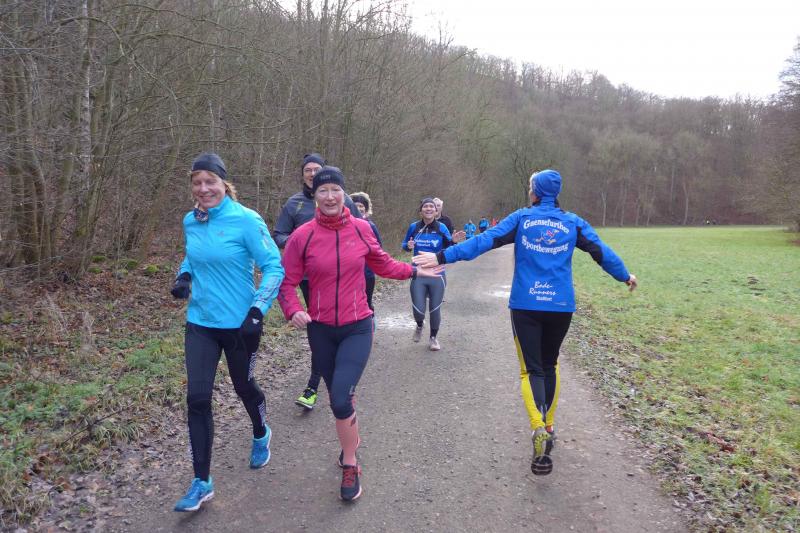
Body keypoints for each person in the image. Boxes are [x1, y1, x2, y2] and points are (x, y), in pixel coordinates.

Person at [414, 169, 637, 476]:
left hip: (526, 304)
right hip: (560, 306)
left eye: (530, 187)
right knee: (550, 365)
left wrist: (442, 257)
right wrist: (624, 275)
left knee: (531, 369)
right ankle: (549, 425)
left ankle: (538, 427)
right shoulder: (573, 222)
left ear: (535, 192)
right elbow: (601, 251)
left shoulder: (522, 218)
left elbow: (484, 241)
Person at [277, 166, 442, 501]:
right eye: (323, 191)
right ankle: (349, 443)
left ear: (344, 194)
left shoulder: (362, 228)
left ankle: (350, 462)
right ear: (315, 196)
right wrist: (293, 309)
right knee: (338, 398)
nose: (329, 197)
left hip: (357, 327)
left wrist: (414, 270)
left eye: (335, 190)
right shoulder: (302, 236)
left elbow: (383, 264)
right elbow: (286, 282)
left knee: (340, 397)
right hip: (321, 330)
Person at [170, 152, 285, 512]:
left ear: (224, 184)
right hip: (200, 323)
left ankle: (261, 431)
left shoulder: (246, 220)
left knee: (243, 387)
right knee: (197, 399)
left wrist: (258, 310)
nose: (204, 188)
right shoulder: (191, 220)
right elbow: (193, 255)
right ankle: (201, 481)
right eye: (197, 182)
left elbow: (274, 266)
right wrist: (184, 275)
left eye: (211, 182)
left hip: (240, 324)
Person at [272, 153, 363, 411]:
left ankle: (328, 381)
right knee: (319, 326)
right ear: (303, 175)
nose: (312, 173)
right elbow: (279, 234)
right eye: (308, 170)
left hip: (340, 277)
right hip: (307, 277)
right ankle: (316, 386)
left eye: (317, 169)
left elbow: (361, 230)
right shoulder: (294, 204)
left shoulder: (344, 200)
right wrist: (298, 245)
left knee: (333, 326)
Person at [401, 198, 465, 350]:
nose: (429, 208)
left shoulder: (442, 227)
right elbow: (405, 245)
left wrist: (454, 241)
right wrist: (408, 246)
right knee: (418, 309)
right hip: (418, 273)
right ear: (421, 211)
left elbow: (449, 247)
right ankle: (419, 325)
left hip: (437, 273)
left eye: (432, 206)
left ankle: (433, 338)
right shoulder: (414, 227)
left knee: (435, 308)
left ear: (436, 211)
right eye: (425, 206)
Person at [350, 192, 382, 312]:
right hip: (349, 273)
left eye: (361, 206)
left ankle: (370, 322)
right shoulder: (344, 226)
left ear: (366, 208)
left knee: (367, 303)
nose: (359, 208)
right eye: (356, 206)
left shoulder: (370, 226)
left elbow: (379, 248)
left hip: (367, 273)